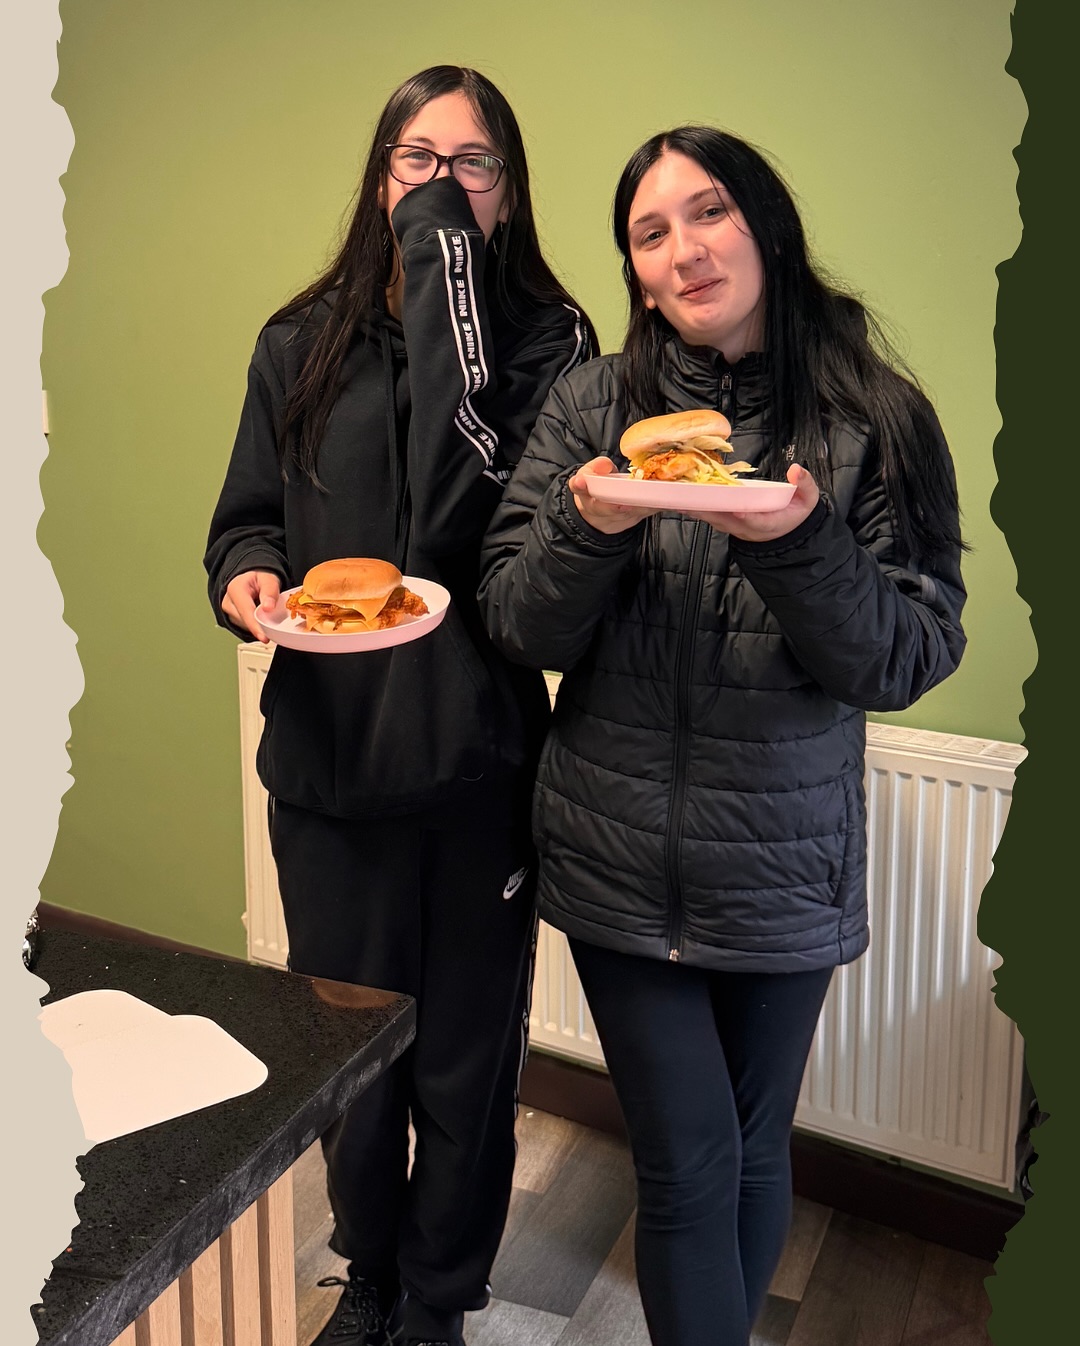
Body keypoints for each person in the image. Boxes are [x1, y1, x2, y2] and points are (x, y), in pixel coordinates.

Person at [477, 125, 966, 1346]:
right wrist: (593, 521)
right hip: (614, 848)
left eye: (709, 213)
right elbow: (514, 617)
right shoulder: (596, 404)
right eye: (652, 232)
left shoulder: (871, 416)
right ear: (634, 270)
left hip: (783, 862)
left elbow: (902, 656)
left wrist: (795, 540)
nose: (685, 250)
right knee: (689, 1159)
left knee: (752, 1149)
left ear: (765, 224)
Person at [204, 65, 596, 1346]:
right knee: (352, 1064)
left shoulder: (553, 344)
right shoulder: (295, 340)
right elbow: (248, 516)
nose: (441, 183)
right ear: (379, 177)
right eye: (416, 160)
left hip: (478, 769)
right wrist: (246, 573)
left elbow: (471, 509)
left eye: (472, 163)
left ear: (509, 190)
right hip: (329, 762)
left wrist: (447, 288)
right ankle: (368, 1270)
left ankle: (437, 1299)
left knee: (463, 1066)